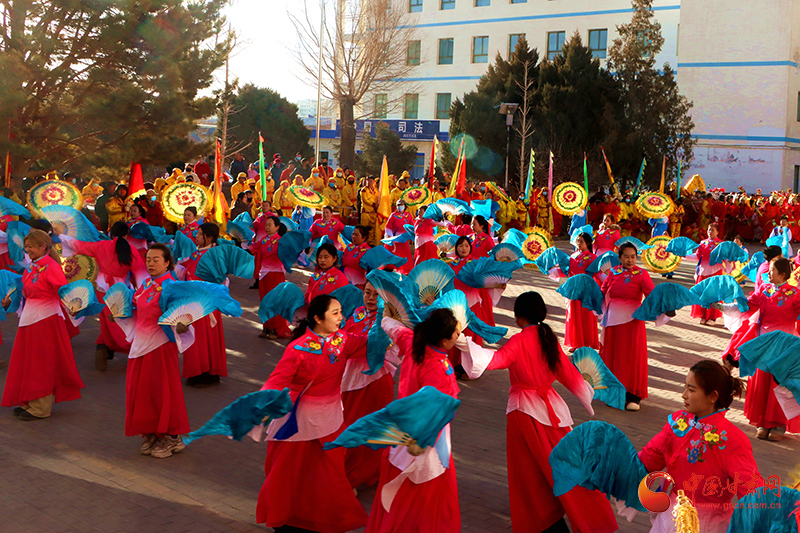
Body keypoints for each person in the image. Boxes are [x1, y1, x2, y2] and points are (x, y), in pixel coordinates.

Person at [484, 292, 617, 533]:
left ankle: (542, 522)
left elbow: (495, 360)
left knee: (528, 472)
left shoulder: (519, 341)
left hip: (523, 412)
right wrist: (587, 396)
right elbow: (569, 374)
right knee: (569, 465)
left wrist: (466, 347)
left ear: (518, 316)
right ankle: (592, 517)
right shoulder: (548, 338)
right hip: (553, 411)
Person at [256, 294, 369, 533]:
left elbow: (370, 343)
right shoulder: (298, 349)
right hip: (298, 423)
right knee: (289, 472)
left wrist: (390, 323)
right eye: (335, 313)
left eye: (341, 312)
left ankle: (321, 519)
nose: (341, 318)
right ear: (318, 318)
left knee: (329, 474)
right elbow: (277, 380)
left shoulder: (343, 340)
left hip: (330, 421)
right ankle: (286, 518)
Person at [367, 309, 461, 533]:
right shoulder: (435, 368)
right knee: (423, 497)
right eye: (456, 333)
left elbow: (394, 328)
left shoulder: (414, 344)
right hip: (425, 439)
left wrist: (387, 315)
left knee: (399, 493)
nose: (459, 335)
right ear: (444, 340)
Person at [639, 360, 760, 533]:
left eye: (691, 389)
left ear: (713, 396)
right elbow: (649, 457)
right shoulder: (679, 423)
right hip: (671, 516)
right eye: (685, 387)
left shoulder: (732, 439)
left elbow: (751, 489)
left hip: (707, 524)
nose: (684, 395)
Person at [116, 244, 191, 458]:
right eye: (148, 259)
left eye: (156, 259)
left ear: (167, 263)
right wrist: (119, 312)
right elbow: (134, 307)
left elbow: (183, 315)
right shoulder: (146, 284)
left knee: (163, 391)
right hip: (140, 345)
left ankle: (173, 436)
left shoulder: (172, 287)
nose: (150, 263)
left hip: (160, 346)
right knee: (142, 391)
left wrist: (183, 325)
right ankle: (153, 432)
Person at [1, 229, 85, 420]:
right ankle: (30, 401)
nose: (27, 250)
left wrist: (74, 306)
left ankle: (40, 407)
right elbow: (25, 291)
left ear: (43, 246)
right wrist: (9, 300)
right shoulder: (32, 266)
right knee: (28, 361)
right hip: (31, 318)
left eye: (31, 246)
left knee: (41, 362)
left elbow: (63, 291)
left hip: (46, 319)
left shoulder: (52, 267)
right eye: (26, 246)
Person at [724, 258, 800, 441]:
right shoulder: (764, 290)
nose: (768, 272)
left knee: (779, 383)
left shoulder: (795, 294)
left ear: (783, 274)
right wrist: (724, 306)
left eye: (772, 270)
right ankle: (762, 422)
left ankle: (778, 424)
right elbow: (746, 306)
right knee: (761, 382)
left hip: (785, 345)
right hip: (763, 343)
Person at [60, 221, 146, 371]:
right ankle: (128, 347)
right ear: (127, 235)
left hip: (102, 289)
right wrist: (143, 292)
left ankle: (103, 346)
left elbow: (79, 246)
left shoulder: (101, 245)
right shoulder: (131, 249)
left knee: (106, 320)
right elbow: (140, 273)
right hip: (121, 290)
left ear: (111, 234)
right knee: (124, 321)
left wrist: (62, 235)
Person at [340, 282, 395, 489]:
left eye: (376, 295)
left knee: (363, 429)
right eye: (367, 293)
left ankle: (353, 476)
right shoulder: (358, 313)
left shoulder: (389, 321)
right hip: (349, 378)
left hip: (373, 382)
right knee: (346, 424)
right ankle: (346, 472)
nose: (370, 298)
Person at [600, 242, 654, 411]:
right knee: (614, 356)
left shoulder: (642, 274)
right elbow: (602, 291)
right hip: (613, 322)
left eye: (633, 257)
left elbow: (652, 295)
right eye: (626, 257)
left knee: (632, 356)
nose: (630, 260)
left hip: (632, 322)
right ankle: (614, 393)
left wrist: (664, 307)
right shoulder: (613, 272)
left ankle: (633, 395)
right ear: (620, 258)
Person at [177, 223, 229, 387]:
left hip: (206, 304)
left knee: (207, 338)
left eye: (200, 234)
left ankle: (209, 373)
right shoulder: (196, 253)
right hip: (192, 302)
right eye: (197, 233)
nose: (196, 236)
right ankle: (197, 371)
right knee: (195, 337)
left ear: (210, 238)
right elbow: (186, 270)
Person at [250, 216, 292, 339]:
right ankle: (266, 327)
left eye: (270, 225)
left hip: (276, 273)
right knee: (264, 301)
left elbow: (288, 255)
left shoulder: (281, 241)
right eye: (266, 225)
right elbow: (253, 247)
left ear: (277, 227)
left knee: (275, 301)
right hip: (264, 274)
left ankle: (275, 329)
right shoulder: (263, 240)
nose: (267, 227)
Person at [563, 232, 599, 352]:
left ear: (588, 243)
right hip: (573, 290)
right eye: (577, 241)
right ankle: (575, 342)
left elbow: (597, 274)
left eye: (581, 241)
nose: (579, 243)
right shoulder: (573, 256)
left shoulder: (592, 258)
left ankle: (586, 342)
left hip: (586, 291)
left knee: (585, 317)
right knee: (573, 316)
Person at [691, 223, 723, 325]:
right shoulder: (703, 243)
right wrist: (684, 255)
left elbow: (725, 258)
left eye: (713, 230)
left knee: (713, 294)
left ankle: (713, 317)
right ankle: (703, 315)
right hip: (703, 272)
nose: (710, 232)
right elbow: (697, 257)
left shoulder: (721, 244)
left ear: (718, 232)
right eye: (709, 230)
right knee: (702, 293)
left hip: (715, 272)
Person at [384, 199, 414, 273]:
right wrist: (391, 237)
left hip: (404, 239)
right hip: (394, 238)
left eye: (401, 205)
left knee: (404, 254)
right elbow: (388, 226)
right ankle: (390, 268)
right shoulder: (393, 215)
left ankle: (405, 269)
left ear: (405, 206)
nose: (399, 206)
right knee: (393, 254)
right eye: (398, 205)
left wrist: (411, 234)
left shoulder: (408, 215)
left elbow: (412, 226)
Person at [360, 176, 378, 244]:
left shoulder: (375, 190)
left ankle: (370, 242)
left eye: (371, 181)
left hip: (373, 212)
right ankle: (363, 242)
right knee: (364, 228)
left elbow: (377, 198)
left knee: (372, 229)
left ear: (373, 182)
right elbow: (365, 200)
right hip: (366, 212)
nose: (369, 182)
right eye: (368, 181)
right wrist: (373, 204)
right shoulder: (364, 190)